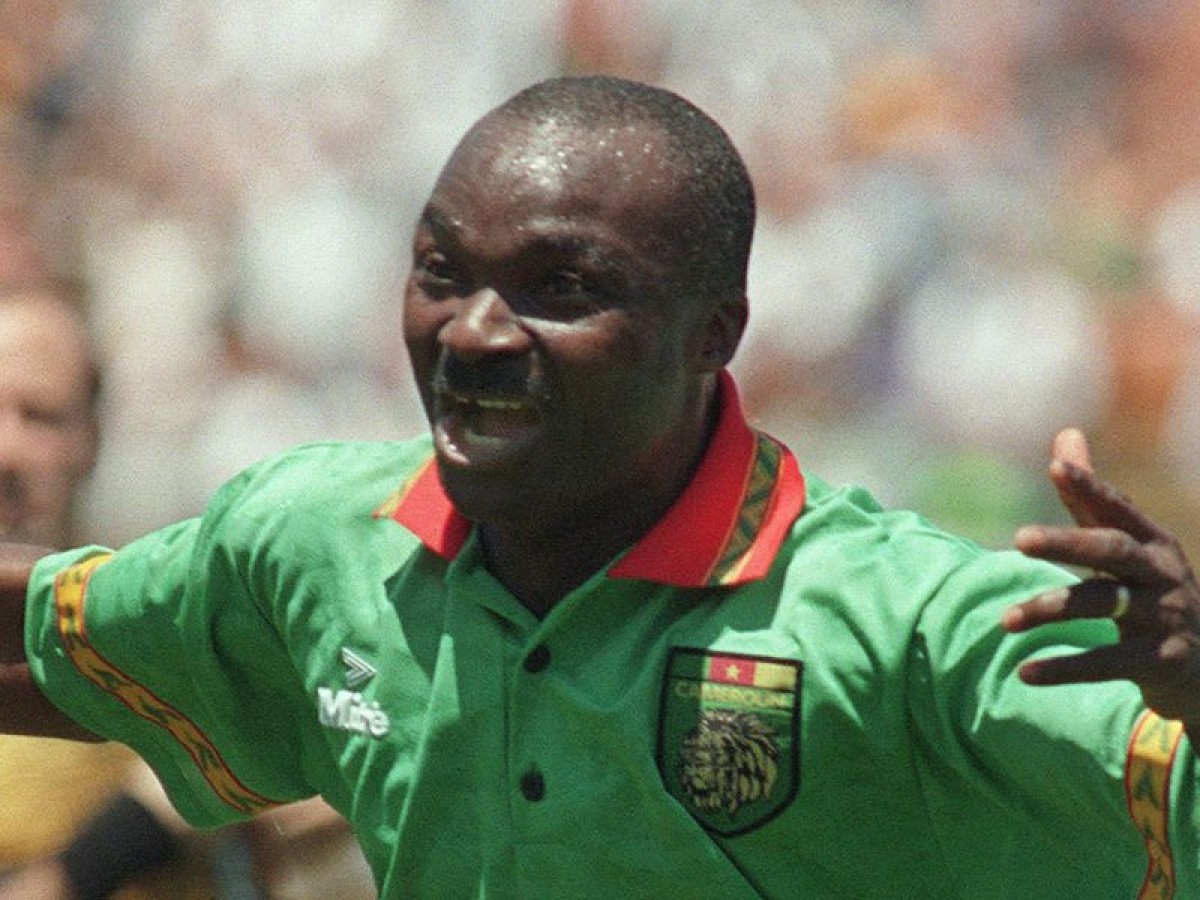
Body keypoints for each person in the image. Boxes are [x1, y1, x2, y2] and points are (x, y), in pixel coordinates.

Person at [0, 74, 1197, 898]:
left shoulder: (906, 624)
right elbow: (50, 638)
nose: (474, 331)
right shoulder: (314, 545)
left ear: (714, 333)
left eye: (560, 288)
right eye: (440, 270)